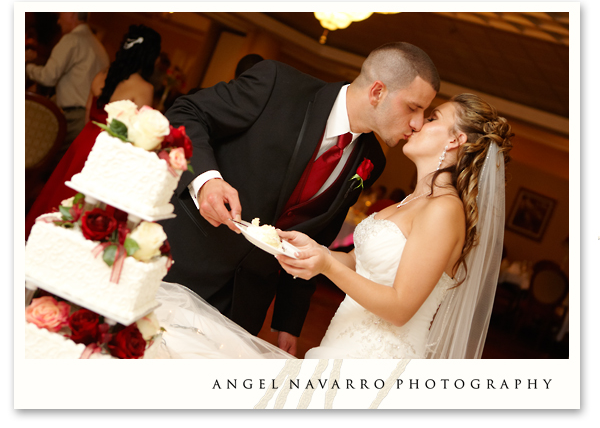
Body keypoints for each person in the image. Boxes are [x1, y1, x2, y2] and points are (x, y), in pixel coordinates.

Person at [161, 42, 440, 356]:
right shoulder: (277, 84)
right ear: (377, 92)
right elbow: (186, 113)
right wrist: (207, 181)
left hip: (244, 303)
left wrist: (288, 321)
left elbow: (316, 236)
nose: (418, 122)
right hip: (180, 264)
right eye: (413, 107)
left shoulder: (372, 160)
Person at [276, 93, 513, 359]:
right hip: (339, 346)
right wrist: (312, 250)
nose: (418, 124)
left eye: (432, 118)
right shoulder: (411, 201)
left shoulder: (444, 209)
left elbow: (400, 309)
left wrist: (326, 266)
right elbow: (356, 263)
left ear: (455, 140)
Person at [25, 24, 162, 239]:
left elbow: (89, 112)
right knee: (86, 207)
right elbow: (138, 135)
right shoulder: (144, 89)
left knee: (62, 195)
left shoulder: (101, 76)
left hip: (84, 141)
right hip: (110, 152)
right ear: (149, 56)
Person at [25, 12, 110, 155]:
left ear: (72, 15)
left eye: (61, 15)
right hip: (87, 119)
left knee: (36, 155)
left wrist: (26, 65)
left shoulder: (72, 39)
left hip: (69, 118)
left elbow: (48, 77)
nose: (58, 21)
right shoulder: (99, 47)